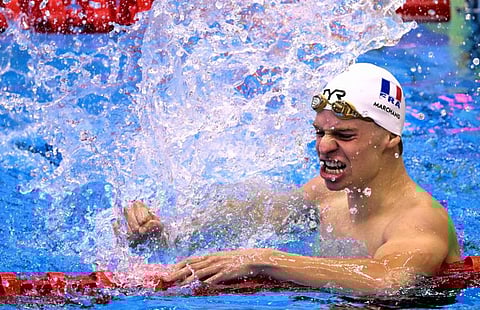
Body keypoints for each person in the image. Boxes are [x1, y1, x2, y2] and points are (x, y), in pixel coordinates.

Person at [123, 63, 461, 293]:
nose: (323, 147)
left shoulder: (420, 221)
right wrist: (165, 231)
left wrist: (266, 260)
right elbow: (252, 215)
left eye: (344, 135)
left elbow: (389, 281)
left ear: (391, 141)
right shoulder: (327, 194)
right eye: (319, 132)